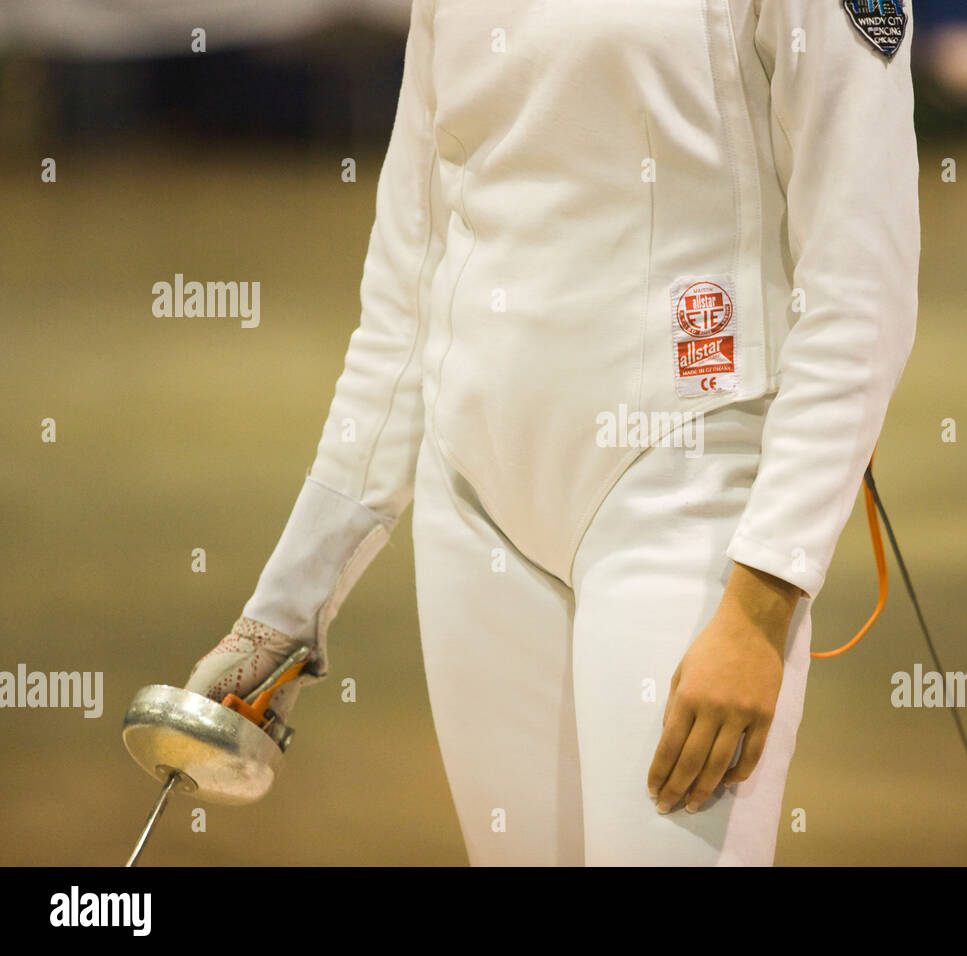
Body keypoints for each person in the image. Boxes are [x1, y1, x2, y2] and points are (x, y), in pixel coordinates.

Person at [184, 0, 920, 866]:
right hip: (478, 506)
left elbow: (860, 289)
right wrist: (284, 610)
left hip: (688, 493)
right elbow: (408, 292)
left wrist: (762, 608)